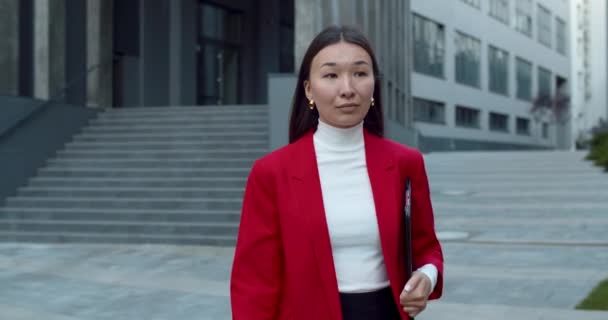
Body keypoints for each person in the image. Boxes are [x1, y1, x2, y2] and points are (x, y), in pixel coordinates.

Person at [230, 25, 443, 320]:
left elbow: (426, 247)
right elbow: (254, 282)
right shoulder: (272, 173)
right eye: (331, 75)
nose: (347, 89)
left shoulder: (406, 162)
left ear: (373, 86)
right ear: (309, 89)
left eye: (360, 73)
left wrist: (427, 277)